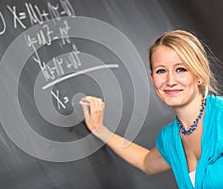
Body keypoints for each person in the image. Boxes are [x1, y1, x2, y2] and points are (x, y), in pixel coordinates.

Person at [80, 30, 223, 188]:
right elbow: (146, 162)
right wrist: (100, 130)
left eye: (181, 69)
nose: (170, 81)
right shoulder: (170, 138)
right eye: (161, 71)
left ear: (199, 74)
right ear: (152, 78)